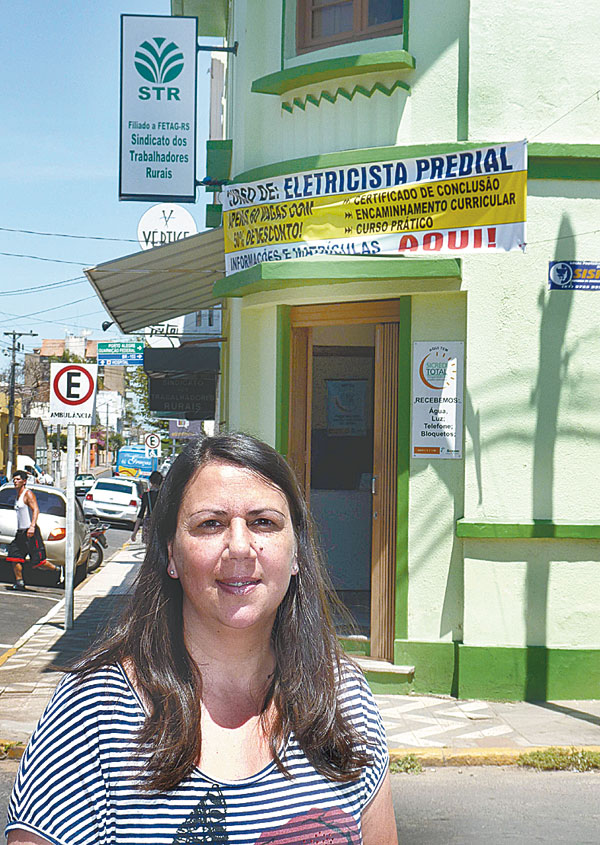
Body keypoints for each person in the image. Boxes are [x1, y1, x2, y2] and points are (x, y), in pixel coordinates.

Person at [6, 433, 397, 844]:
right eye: (211, 524)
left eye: (264, 522)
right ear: (172, 554)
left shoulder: (343, 696)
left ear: (296, 550)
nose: (240, 547)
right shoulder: (91, 712)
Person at [5, 471, 61, 591]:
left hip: (31, 532)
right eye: (14, 479)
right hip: (20, 532)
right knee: (14, 557)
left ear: (24, 481)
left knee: (39, 562)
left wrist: (32, 526)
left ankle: (58, 570)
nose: (15, 481)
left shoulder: (28, 494)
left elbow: (36, 510)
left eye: (18, 479)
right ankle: (19, 582)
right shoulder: (17, 495)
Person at [130, 470, 163, 544]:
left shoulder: (146, 495)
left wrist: (134, 532)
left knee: (148, 548)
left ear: (150, 481)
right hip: (160, 524)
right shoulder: (163, 496)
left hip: (149, 524)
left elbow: (141, 514)